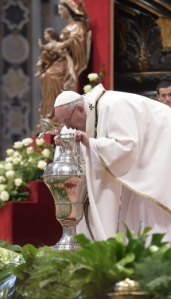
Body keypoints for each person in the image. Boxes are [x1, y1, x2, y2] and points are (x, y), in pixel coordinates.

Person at [54, 84, 171, 242]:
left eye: (67, 121)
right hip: (145, 154)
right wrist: (65, 141)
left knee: (150, 207)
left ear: (81, 109)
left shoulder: (113, 105)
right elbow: (73, 131)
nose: (67, 127)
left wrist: (92, 144)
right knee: (133, 211)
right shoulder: (87, 108)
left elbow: (127, 145)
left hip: (160, 149)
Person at [38, 0, 91, 125]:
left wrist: (62, 45)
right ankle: (50, 114)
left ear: (68, 10)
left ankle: (58, 116)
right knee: (45, 75)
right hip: (62, 58)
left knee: (51, 76)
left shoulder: (77, 26)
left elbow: (77, 42)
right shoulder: (69, 26)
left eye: (61, 10)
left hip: (69, 61)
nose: (60, 13)